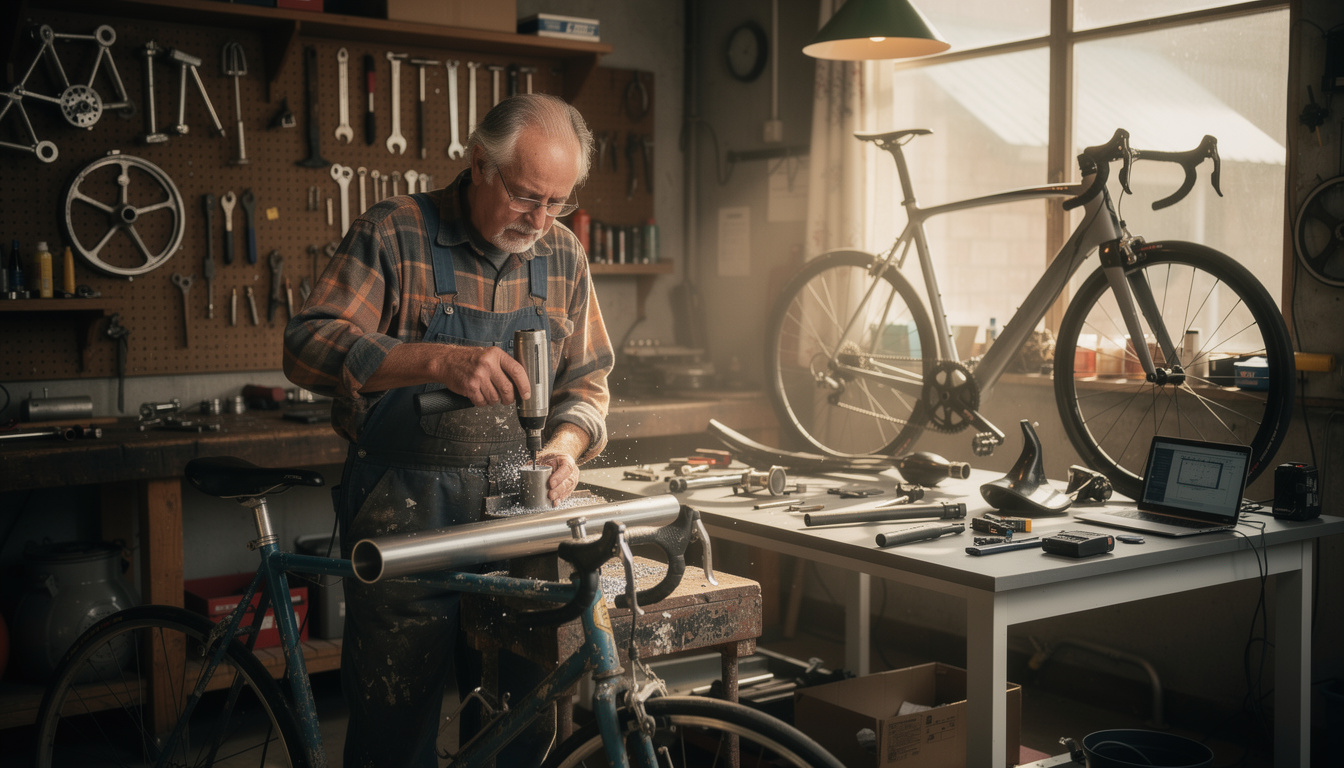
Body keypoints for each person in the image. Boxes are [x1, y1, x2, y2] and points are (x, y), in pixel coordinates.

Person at [283, 93, 612, 768]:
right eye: (526, 196)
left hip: (519, 519)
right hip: (407, 518)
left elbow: (589, 385)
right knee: (395, 735)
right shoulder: (395, 231)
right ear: (478, 165)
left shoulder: (563, 255)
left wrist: (563, 446)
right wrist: (435, 360)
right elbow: (305, 347)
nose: (541, 219)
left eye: (557, 201)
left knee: (517, 733)